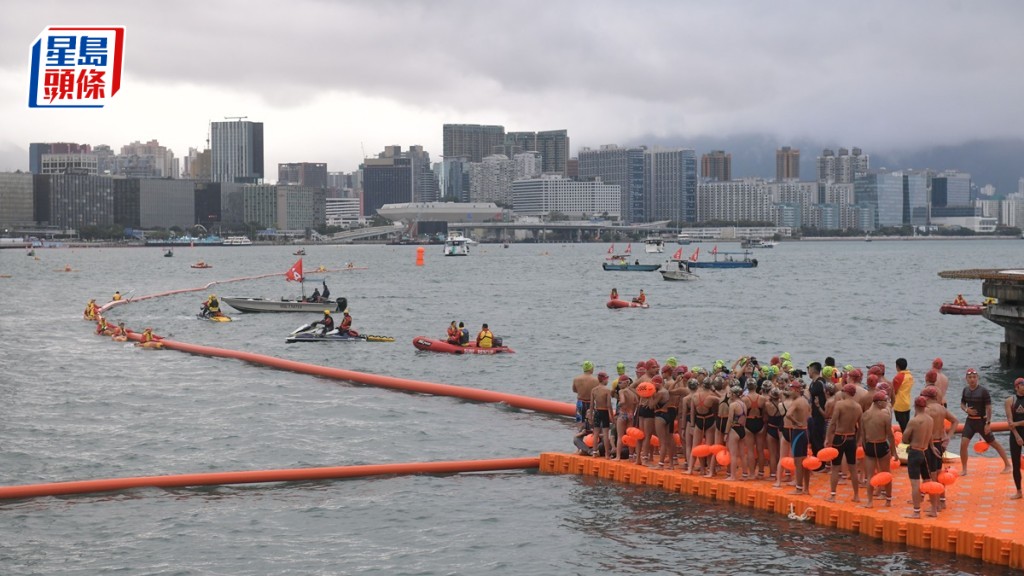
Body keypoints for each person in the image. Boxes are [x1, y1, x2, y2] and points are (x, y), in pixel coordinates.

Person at [959, 367, 1011, 475]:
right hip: (970, 422)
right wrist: (966, 409)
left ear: (977, 378)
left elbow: (989, 408)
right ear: (966, 379)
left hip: (982, 422)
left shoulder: (983, 391)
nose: (972, 379)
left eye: (974, 377)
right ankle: (964, 469)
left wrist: (988, 423)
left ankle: (1007, 465)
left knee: (994, 443)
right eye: (970, 377)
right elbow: (962, 404)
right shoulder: (965, 390)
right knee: (963, 444)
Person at [825, 383, 864, 503]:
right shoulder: (858, 407)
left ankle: (832, 495)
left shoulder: (840, 405)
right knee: (852, 468)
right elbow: (861, 427)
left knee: (835, 467)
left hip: (839, 438)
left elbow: (833, 423)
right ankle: (856, 495)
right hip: (851, 438)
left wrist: (827, 438)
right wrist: (858, 441)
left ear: (846, 392)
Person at [859, 390, 896, 508]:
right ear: (879, 402)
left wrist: (866, 448)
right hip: (881, 445)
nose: (887, 403)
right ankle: (888, 500)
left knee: (870, 475)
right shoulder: (885, 415)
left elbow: (863, 435)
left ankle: (870, 502)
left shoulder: (865, 415)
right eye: (885, 401)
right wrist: (894, 451)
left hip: (870, 446)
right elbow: (889, 435)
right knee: (886, 474)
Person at [904, 396, 937, 518]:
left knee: (915, 484)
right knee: (928, 482)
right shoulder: (930, 420)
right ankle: (933, 509)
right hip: (926, 451)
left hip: (915, 452)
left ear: (915, 406)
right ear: (926, 406)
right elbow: (929, 437)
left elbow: (904, 438)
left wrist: (912, 439)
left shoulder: (914, 421)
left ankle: (916, 512)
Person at [1004, 377, 1024, 499]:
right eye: (1023, 385)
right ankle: (1019, 491)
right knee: (1016, 464)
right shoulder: (1010, 401)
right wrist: (1017, 436)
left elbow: (1013, 423)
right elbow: (1009, 422)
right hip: (1015, 435)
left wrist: (1016, 424)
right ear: (1017, 387)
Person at [572, 361, 600, 433]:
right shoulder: (596, 380)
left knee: (580, 422)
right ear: (590, 369)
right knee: (591, 422)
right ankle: (590, 438)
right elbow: (597, 393)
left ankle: (580, 435)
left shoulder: (576, 379)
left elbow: (574, 390)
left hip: (580, 402)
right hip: (590, 403)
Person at [892, 358, 914, 432]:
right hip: (907, 403)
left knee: (903, 427)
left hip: (899, 405)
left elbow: (893, 391)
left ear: (897, 366)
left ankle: (906, 442)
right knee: (906, 425)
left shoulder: (898, 377)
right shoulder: (910, 376)